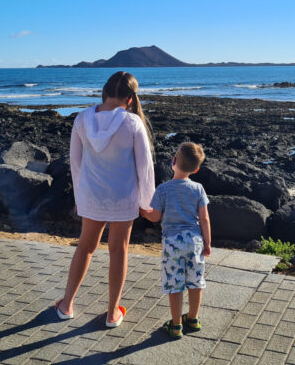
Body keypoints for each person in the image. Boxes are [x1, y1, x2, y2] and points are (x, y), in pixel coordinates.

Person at [54, 71, 155, 328]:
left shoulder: (82, 119)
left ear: (105, 91)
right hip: (123, 197)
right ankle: (112, 313)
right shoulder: (132, 123)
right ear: (131, 99)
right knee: (118, 250)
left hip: (91, 194)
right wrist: (147, 203)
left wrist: (79, 196)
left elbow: (75, 164)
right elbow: (145, 167)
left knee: (85, 247)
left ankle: (66, 305)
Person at [140, 142, 210, 339]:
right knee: (196, 282)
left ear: (173, 162)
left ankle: (176, 325)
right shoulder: (198, 189)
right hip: (194, 241)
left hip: (172, 243)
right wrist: (207, 242)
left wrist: (144, 213)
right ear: (196, 169)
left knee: (175, 284)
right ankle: (193, 318)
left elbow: (155, 217)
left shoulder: (163, 189)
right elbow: (204, 218)